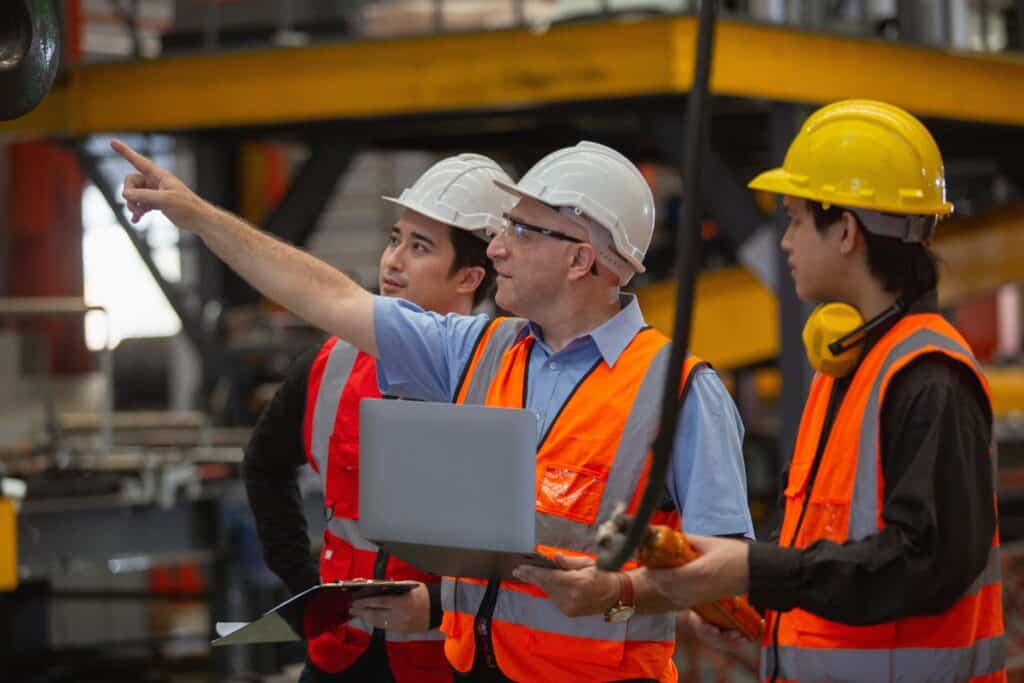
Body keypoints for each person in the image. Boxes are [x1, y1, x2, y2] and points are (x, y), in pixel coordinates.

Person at [112, 138, 754, 683]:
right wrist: (196, 215)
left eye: (521, 230)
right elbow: (327, 297)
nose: (497, 247)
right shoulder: (477, 351)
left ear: (580, 258)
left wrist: (620, 594)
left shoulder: (680, 394)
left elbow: (722, 579)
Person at [643, 100, 1006, 683]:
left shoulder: (929, 380)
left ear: (844, 230)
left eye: (792, 217)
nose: (784, 241)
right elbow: (833, 550)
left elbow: (925, 564)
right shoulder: (849, 367)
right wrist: (754, 601)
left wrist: (757, 570)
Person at [244, 154, 516, 683]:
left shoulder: (508, 380)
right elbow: (264, 464)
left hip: (455, 660)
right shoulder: (332, 363)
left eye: (420, 248)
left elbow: (538, 544)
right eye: (395, 239)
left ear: (470, 276)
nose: (392, 261)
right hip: (342, 653)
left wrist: (438, 604)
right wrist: (301, 588)